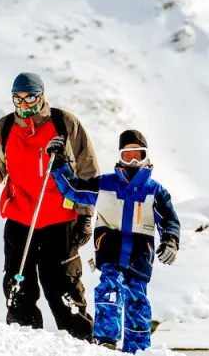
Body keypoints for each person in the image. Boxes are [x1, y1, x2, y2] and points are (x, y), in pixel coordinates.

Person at [0, 73, 98, 339]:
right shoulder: (5, 128)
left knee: (63, 289)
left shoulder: (64, 124)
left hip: (59, 219)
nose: (24, 104)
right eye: (18, 98)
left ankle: (82, 343)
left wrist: (85, 217)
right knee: (18, 290)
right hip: (20, 219)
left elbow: (87, 173)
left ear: (42, 96)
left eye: (30, 98)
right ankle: (24, 342)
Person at [49, 129, 180, 353]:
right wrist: (59, 162)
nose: (133, 161)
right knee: (110, 288)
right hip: (111, 250)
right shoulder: (106, 184)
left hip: (140, 256)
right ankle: (106, 343)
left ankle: (137, 349)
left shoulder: (155, 191)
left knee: (137, 301)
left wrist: (170, 241)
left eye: (138, 155)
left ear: (146, 157)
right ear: (120, 156)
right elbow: (73, 189)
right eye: (127, 155)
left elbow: (169, 221)